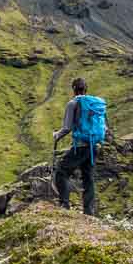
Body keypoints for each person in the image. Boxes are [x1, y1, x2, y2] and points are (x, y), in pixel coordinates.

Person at [53, 76, 104, 216]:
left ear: (74, 89)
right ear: (86, 89)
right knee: (88, 177)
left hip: (80, 146)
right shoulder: (95, 103)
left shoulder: (73, 103)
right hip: (93, 145)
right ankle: (89, 211)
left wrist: (56, 135)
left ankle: (64, 204)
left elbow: (67, 128)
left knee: (61, 171)